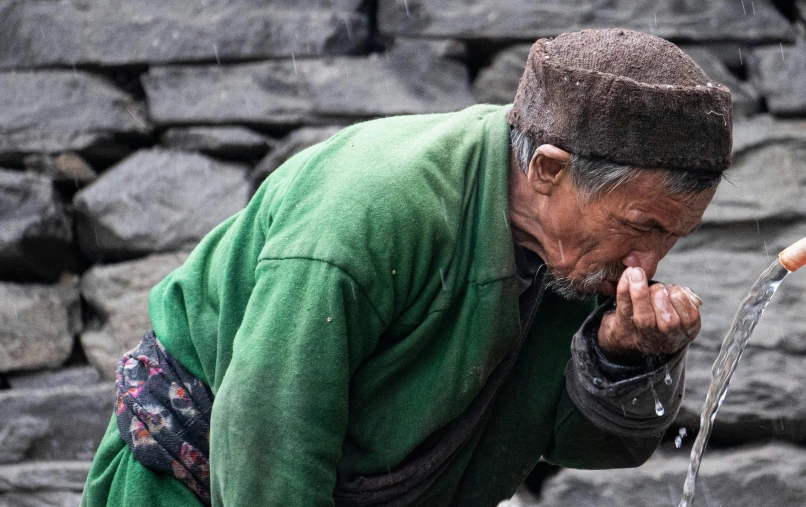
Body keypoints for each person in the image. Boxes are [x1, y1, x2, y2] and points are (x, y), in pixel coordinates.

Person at [82, 28, 732, 506]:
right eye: (643, 227)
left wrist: (623, 356)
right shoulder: (367, 212)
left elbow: (580, 445)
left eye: (675, 236)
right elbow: (268, 440)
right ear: (549, 170)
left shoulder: (579, 249)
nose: (648, 263)